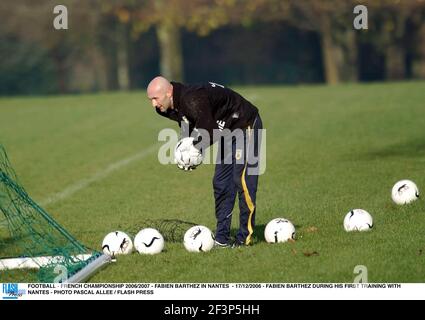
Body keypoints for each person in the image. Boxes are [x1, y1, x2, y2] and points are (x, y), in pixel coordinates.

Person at [147, 76, 263, 248]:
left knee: (243, 180)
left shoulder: (192, 98)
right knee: (221, 183)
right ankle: (222, 238)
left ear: (169, 92)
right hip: (226, 132)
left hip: (244, 124)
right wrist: (184, 150)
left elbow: (209, 130)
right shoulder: (167, 108)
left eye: (155, 98)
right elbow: (187, 123)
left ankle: (244, 238)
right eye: (150, 100)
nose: (153, 105)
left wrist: (194, 150)